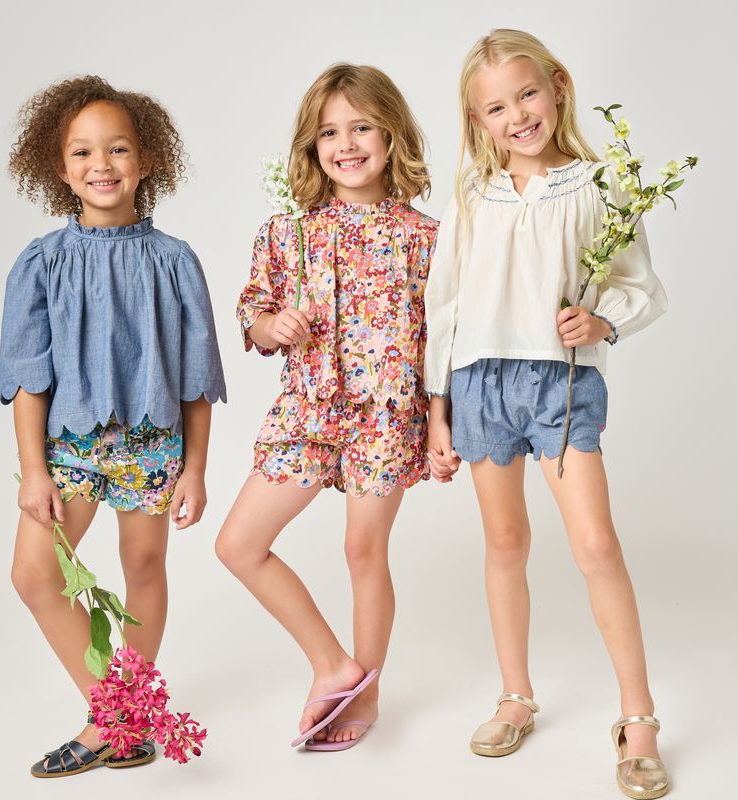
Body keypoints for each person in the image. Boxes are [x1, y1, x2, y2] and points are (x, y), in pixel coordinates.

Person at [425, 29, 669, 799]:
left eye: (526, 93)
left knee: (595, 544)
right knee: (505, 541)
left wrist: (602, 324)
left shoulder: (602, 183)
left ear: (556, 86)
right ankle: (515, 695)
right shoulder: (471, 195)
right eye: (495, 107)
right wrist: (438, 409)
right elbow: (446, 305)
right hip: (479, 383)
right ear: (478, 121)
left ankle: (638, 720)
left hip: (561, 382)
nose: (517, 115)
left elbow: (641, 285)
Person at [0, 75, 226, 777]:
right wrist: (35, 469)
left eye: (119, 148)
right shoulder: (41, 264)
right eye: (84, 152)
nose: (103, 164)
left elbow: (195, 379)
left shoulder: (175, 262)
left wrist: (196, 467)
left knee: (144, 565)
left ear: (148, 160)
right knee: (35, 575)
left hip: (153, 444)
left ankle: (119, 718)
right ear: (60, 168)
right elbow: (29, 376)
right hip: (69, 447)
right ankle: (121, 717)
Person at [216, 63, 437, 751]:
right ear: (312, 148)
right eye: (329, 132)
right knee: (238, 545)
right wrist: (271, 327)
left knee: (363, 549)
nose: (346, 144)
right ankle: (333, 665)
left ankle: (366, 695)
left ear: (392, 134)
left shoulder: (426, 237)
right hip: (308, 412)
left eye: (362, 127)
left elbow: (445, 342)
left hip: (386, 414)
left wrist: (440, 426)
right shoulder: (287, 232)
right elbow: (253, 312)